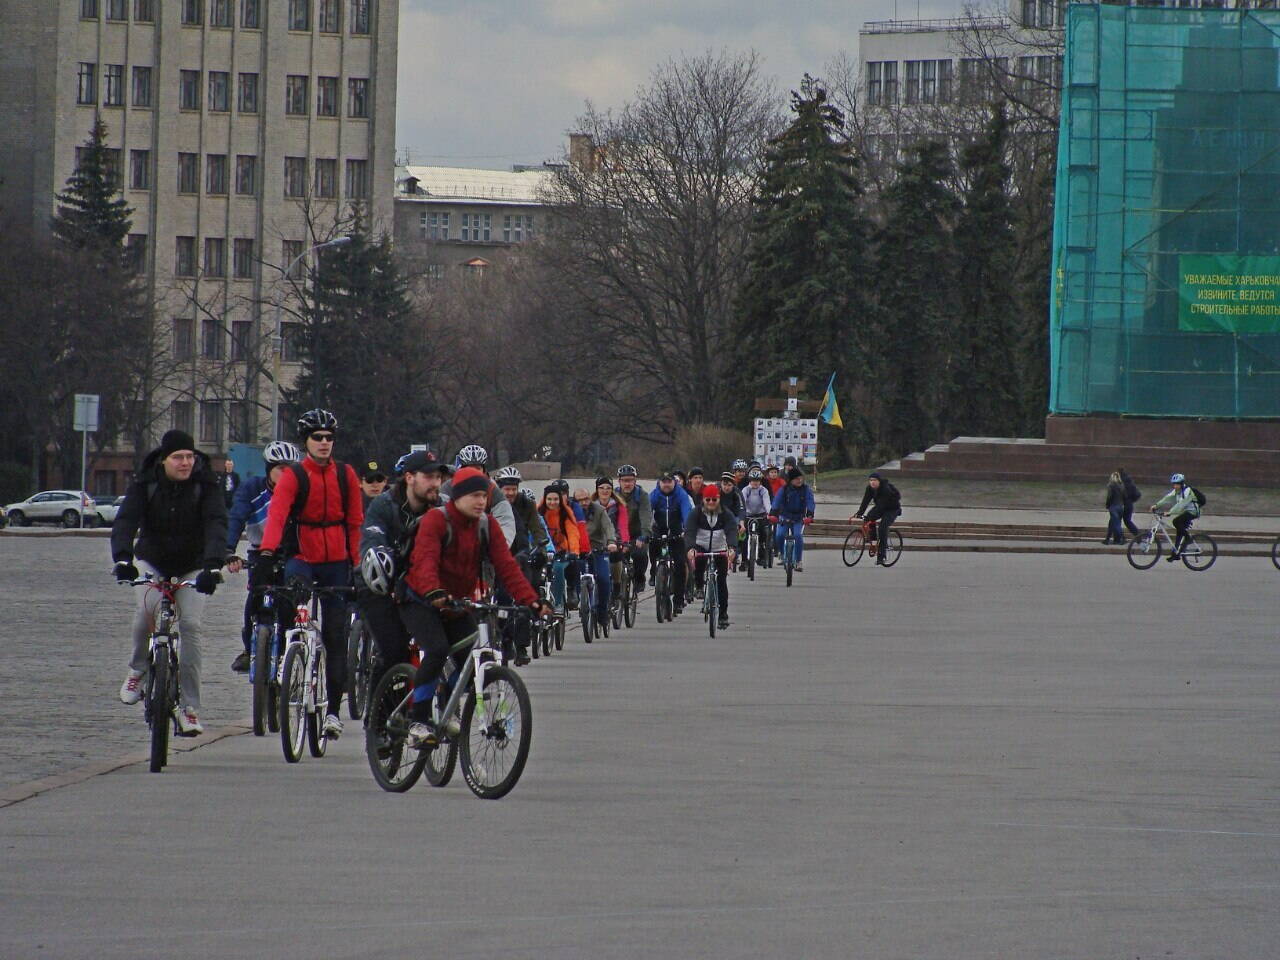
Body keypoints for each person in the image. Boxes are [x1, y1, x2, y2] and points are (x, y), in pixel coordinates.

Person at [399, 467, 548, 747]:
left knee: (471, 657)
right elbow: (425, 560)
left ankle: (447, 705)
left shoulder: (486, 525)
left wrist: (532, 600)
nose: (481, 502)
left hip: (458, 602)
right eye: (475, 496)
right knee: (437, 650)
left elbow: (506, 567)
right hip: (420, 599)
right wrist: (433, 590)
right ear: (457, 497)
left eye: (484, 496)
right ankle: (417, 720)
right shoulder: (436, 519)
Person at [254, 408, 363, 740]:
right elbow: (277, 516)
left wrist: (358, 564)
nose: (324, 443)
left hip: (337, 560)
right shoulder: (295, 476)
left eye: (329, 437)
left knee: (335, 634)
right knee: (289, 604)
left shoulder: (346, 475)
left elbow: (355, 522)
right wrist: (267, 553)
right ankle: (287, 662)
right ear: (306, 442)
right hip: (302, 554)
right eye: (317, 437)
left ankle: (332, 712)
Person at [111, 429, 228, 736]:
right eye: (178, 457)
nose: (185, 462)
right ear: (164, 460)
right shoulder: (145, 483)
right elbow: (126, 520)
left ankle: (189, 708)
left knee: (190, 626)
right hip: (152, 561)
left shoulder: (206, 484)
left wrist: (213, 566)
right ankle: (138, 669)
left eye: (189, 456)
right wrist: (123, 559)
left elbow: (216, 524)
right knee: (145, 613)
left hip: (193, 565)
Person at [358, 451, 451, 697]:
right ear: (409, 478)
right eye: (429, 477)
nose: (436, 483)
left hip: (419, 584)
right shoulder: (384, 504)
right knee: (394, 651)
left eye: (438, 477)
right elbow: (372, 538)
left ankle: (437, 703)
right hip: (379, 584)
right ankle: (378, 712)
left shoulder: (442, 506)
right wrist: (381, 553)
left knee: (445, 644)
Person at [226, 440, 302, 673]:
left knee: (289, 601)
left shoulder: (301, 491)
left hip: (291, 551)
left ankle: (289, 648)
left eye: (290, 469)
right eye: (280, 469)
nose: (286, 474)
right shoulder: (251, 489)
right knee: (256, 596)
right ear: (269, 469)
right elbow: (236, 517)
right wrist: (229, 551)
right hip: (261, 551)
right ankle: (250, 649)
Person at [495, 466, 551, 664]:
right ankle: (504, 641)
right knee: (500, 602)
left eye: (514, 489)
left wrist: (541, 547)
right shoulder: (493, 504)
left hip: (520, 554)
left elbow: (536, 529)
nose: (510, 493)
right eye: (506, 489)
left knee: (523, 601)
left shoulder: (526, 505)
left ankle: (521, 648)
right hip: (497, 556)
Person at [439, 444, 516, 547]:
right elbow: (439, 518)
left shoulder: (493, 490)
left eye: (477, 468)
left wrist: (498, 547)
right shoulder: (448, 488)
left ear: (484, 471)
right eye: (468, 468)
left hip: (483, 545)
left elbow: (506, 521)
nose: (473, 472)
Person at [684, 482, 735, 630]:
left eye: (714, 499)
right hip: (701, 545)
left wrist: (732, 548)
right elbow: (690, 531)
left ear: (719, 499)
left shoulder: (726, 513)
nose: (711, 502)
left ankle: (723, 615)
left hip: (719, 548)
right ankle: (699, 586)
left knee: (722, 582)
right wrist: (691, 548)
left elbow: (732, 531)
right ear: (703, 500)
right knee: (699, 564)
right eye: (708, 500)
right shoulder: (696, 513)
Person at [649, 471, 693, 613]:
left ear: (674, 482)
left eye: (669, 482)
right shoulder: (654, 495)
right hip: (659, 528)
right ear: (659, 483)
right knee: (652, 546)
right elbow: (648, 512)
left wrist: (687, 529)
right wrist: (647, 530)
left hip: (676, 531)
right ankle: (654, 572)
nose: (667, 485)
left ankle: (678, 600)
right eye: (664, 482)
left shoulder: (681, 494)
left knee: (680, 564)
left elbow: (686, 511)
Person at [575, 485, 619, 625]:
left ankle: (602, 611)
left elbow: (608, 527)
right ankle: (580, 600)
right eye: (580, 500)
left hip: (598, 549)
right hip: (578, 550)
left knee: (604, 579)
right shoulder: (571, 511)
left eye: (586, 499)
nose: (584, 503)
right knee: (574, 575)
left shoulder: (599, 510)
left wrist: (611, 542)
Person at [538, 485, 583, 609]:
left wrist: (574, 551)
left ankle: (559, 602)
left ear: (560, 500)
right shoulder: (538, 514)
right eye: (549, 499)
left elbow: (573, 534)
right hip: (542, 552)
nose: (552, 502)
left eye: (555, 499)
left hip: (561, 553)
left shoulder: (565, 514)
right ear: (544, 499)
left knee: (558, 569)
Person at [593, 477, 630, 615]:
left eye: (608, 488)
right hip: (596, 540)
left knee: (616, 558)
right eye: (602, 488)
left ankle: (616, 585)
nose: (605, 491)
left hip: (614, 539)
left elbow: (623, 526)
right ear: (597, 490)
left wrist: (624, 541)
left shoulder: (618, 506)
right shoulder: (591, 505)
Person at [769, 467, 815, 572]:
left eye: (800, 478)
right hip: (784, 516)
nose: (799, 480)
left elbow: (810, 502)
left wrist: (810, 515)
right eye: (796, 479)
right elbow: (776, 501)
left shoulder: (806, 489)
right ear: (791, 480)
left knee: (798, 536)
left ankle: (798, 561)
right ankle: (781, 553)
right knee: (779, 535)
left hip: (799, 518)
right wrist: (773, 514)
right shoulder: (784, 489)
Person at [615, 464, 653, 591]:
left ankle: (639, 578)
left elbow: (646, 516)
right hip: (619, 535)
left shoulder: (642, 495)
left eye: (630, 480)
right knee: (616, 559)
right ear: (619, 481)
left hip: (637, 534)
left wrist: (644, 535)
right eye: (624, 480)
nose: (627, 484)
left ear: (635, 481)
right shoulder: (614, 495)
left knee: (640, 554)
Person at [855, 471, 902, 565]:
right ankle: (874, 541)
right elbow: (865, 501)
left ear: (879, 481)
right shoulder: (869, 488)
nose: (872, 482)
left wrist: (871, 515)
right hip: (880, 507)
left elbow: (882, 504)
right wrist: (859, 513)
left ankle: (882, 556)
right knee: (868, 519)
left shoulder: (885, 489)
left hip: (892, 509)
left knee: (882, 528)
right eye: (870, 480)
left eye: (874, 480)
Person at [1151, 473, 1200, 561]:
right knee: (1179, 532)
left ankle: (1188, 538)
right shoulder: (1176, 491)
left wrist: (1170, 512)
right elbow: (1167, 498)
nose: (1175, 486)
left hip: (1193, 512)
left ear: (1181, 483)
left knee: (1176, 521)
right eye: (1174, 484)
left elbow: (1181, 504)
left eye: (1177, 484)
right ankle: (1175, 555)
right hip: (1185, 513)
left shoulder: (1187, 491)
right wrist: (1156, 505)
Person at [740, 467, 771, 567]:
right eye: (753, 480)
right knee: (744, 538)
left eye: (757, 480)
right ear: (750, 480)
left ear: (760, 481)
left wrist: (769, 513)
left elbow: (767, 503)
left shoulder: (763, 490)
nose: (755, 483)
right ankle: (744, 560)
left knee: (763, 535)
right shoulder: (746, 490)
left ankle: (761, 557)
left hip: (760, 515)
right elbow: (742, 502)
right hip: (748, 515)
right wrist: (741, 513)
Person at [1103, 471, 1126, 545]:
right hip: (1121, 507)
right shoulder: (1122, 485)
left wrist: (1107, 505)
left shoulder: (1111, 485)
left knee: (1116, 524)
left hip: (1113, 507)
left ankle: (1123, 538)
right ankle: (1109, 539)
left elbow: (1109, 496)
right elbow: (1124, 496)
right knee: (1112, 523)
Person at [1119, 467, 1142, 539]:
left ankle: (1121, 538)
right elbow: (1137, 494)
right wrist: (1131, 501)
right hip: (1129, 504)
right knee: (1127, 521)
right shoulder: (1130, 481)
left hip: (1122, 504)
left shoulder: (1121, 482)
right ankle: (1138, 536)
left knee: (1116, 522)